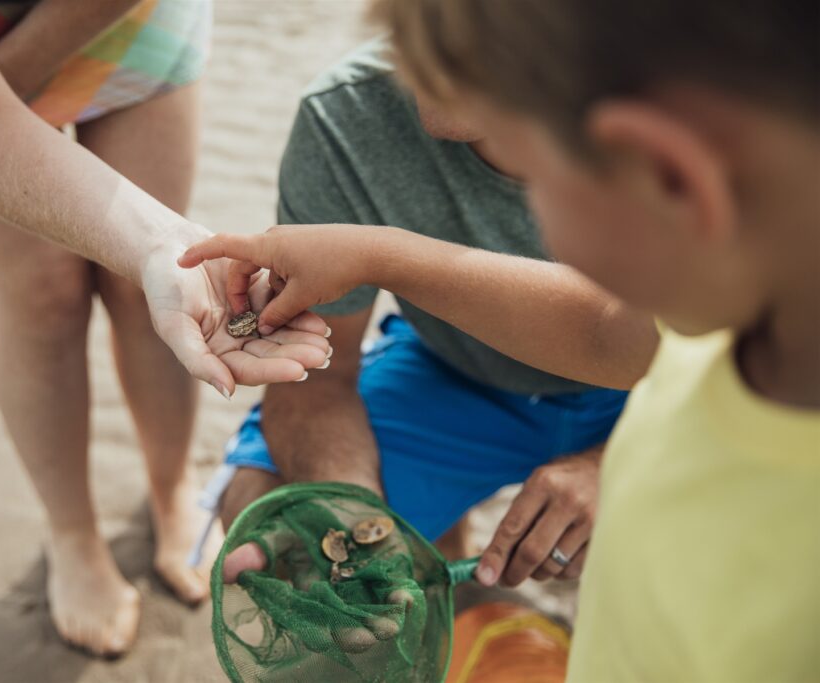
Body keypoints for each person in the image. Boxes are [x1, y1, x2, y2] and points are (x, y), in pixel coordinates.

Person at [190, 0, 820, 678]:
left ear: (673, 174)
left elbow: (609, 331)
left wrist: (615, 456)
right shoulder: (746, 311)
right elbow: (615, 330)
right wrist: (362, 536)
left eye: (535, 178)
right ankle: (468, 613)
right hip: (466, 378)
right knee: (280, 507)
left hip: (639, 410)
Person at [0, 0, 331, 657]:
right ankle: (72, 534)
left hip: (131, 18)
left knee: (155, 286)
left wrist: (161, 245)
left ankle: (173, 489)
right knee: (42, 294)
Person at [182, 40, 648, 589]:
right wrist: (355, 516)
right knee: (274, 517)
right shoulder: (347, 112)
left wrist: (618, 463)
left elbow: (732, 364)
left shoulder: (697, 111)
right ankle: (440, 567)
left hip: (670, 396)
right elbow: (320, 380)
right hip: (456, 368)